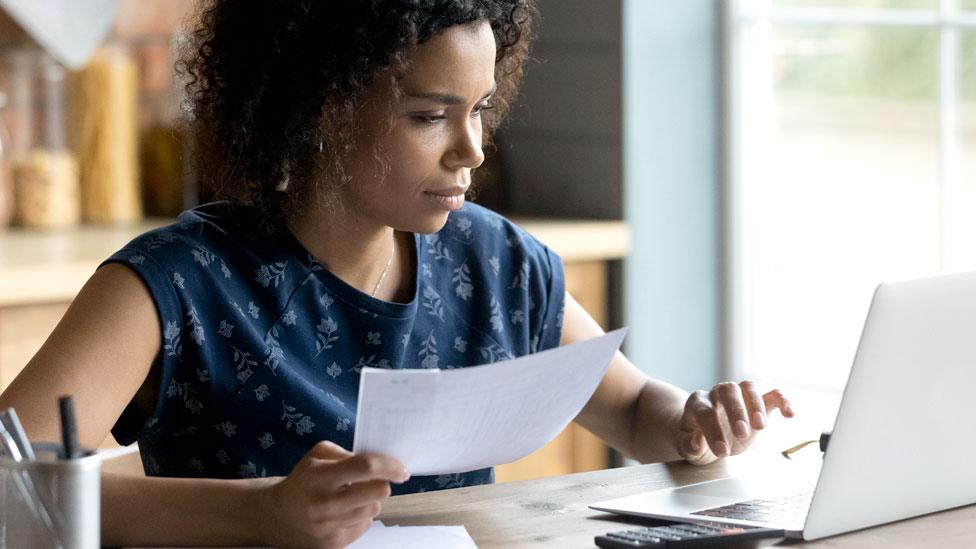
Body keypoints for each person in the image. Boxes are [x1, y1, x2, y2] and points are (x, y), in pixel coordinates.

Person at [0, 1, 794, 547]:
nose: (471, 150)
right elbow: (10, 487)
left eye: (480, 109)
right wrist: (264, 516)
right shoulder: (180, 282)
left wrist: (697, 416)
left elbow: (637, 412)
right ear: (321, 108)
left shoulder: (496, 264)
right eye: (429, 115)